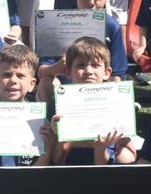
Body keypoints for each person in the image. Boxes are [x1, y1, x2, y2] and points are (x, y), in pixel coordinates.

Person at [35, 0, 128, 101]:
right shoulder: (56, 23)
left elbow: (118, 73)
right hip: (64, 86)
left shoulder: (111, 26)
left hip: (98, 88)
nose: (91, 2)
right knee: (46, 83)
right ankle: (52, 115)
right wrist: (58, 67)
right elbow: (41, 72)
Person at [46, 37, 137, 166]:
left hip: (106, 152)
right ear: (68, 72)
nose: (88, 71)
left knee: (126, 155)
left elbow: (128, 147)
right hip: (71, 155)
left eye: (95, 65)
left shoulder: (116, 99)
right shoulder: (58, 102)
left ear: (107, 73)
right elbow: (55, 159)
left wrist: (105, 147)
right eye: (81, 65)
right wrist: (58, 134)